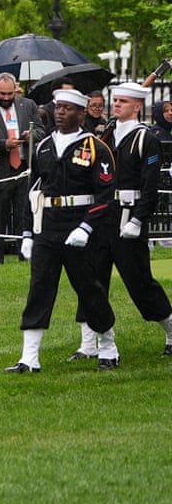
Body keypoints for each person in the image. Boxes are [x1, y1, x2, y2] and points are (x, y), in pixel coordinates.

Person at [5, 88, 117, 374]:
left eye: (68, 108)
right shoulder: (43, 147)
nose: (60, 112)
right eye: (58, 107)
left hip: (80, 226)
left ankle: (107, 345)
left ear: (81, 114)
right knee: (39, 288)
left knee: (89, 288)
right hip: (49, 226)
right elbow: (34, 192)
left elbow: (105, 195)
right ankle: (29, 357)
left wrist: (86, 227)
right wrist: (28, 232)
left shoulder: (95, 147)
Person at [67, 82, 172, 360]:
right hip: (102, 216)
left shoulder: (145, 139)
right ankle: (90, 344)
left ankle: (171, 331)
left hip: (129, 216)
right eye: (116, 101)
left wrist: (139, 220)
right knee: (92, 281)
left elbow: (150, 186)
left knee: (139, 282)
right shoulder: (106, 137)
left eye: (123, 102)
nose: (116, 105)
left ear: (138, 106)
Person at [0, 73, 45, 264]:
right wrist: (4, 144)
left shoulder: (28, 105)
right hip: (1, 172)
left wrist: (29, 135)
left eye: (10, 94)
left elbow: (41, 130)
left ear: (16, 90)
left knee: (24, 215)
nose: (6, 98)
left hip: (24, 169)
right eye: (2, 94)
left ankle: (23, 255)